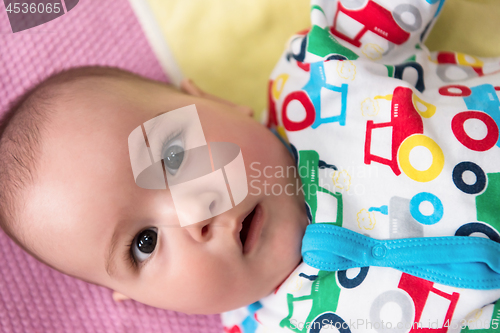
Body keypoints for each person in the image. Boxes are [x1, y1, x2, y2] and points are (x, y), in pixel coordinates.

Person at [1, 0, 500, 332]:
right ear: (144, 303)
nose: (194, 215)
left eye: (173, 155)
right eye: (143, 243)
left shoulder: (322, 72)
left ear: (215, 101)